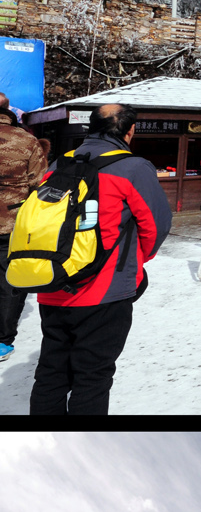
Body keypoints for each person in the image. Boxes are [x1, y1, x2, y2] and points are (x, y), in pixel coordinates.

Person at [29, 102, 172, 415]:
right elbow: (156, 226)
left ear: (89, 127)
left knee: (52, 371)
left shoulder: (58, 165)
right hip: (105, 291)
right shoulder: (133, 168)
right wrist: (130, 267)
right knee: (92, 376)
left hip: (52, 284)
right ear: (130, 132)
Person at [0, 93, 48, 361]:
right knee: (8, 280)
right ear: (9, 110)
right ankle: (2, 341)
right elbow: (40, 183)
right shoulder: (27, 141)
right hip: (12, 222)